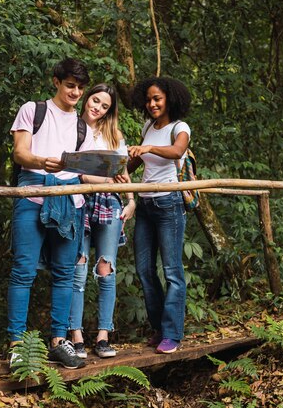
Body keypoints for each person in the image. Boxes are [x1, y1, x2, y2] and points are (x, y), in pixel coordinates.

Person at [8, 58, 95, 370]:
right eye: (70, 85)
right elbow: (19, 152)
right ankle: (17, 344)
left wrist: (115, 175)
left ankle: (59, 341)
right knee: (24, 270)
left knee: (64, 273)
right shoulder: (34, 109)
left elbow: (86, 170)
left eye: (80, 88)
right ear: (56, 81)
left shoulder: (83, 125)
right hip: (32, 192)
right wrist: (43, 162)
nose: (75, 92)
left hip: (70, 198)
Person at [122, 76, 192, 354]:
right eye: (149, 99)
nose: (152, 104)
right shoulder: (148, 126)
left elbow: (178, 151)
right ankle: (159, 328)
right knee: (144, 269)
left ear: (169, 100)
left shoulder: (179, 127)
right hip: (146, 205)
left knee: (172, 272)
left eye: (157, 99)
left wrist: (149, 147)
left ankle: (173, 335)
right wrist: (119, 159)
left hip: (169, 204)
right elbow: (136, 161)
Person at [68, 83, 136, 359]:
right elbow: (77, 173)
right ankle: (76, 335)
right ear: (87, 99)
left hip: (110, 202)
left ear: (110, 110)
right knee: (79, 266)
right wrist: (102, 179)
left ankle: (103, 336)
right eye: (95, 101)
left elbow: (122, 174)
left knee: (106, 268)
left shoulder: (113, 134)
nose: (97, 108)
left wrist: (131, 200)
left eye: (104, 106)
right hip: (81, 201)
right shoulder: (72, 127)